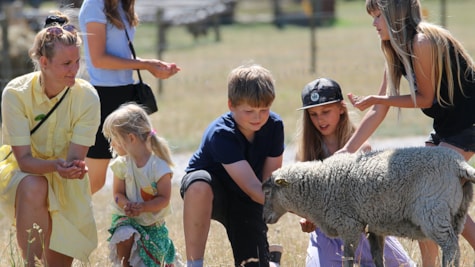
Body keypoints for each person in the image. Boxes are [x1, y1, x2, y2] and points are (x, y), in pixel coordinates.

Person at [338, 0, 475, 266]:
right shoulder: (394, 48)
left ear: (394, 15)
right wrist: (349, 149)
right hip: (447, 126)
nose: (374, 24)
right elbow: (378, 110)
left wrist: (380, 98)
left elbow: (425, 99)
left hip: (469, 124)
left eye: (378, 16)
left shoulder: (421, 43)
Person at [0, 13, 100, 267]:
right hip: (24, 176)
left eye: (77, 61)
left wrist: (74, 168)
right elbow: (24, 162)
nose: (75, 69)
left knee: (57, 265)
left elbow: (75, 160)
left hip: (65, 181)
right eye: (66, 63)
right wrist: (57, 166)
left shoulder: (87, 97)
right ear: (43, 62)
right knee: (36, 185)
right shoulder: (15, 94)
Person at [295, 77, 415, 267]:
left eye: (326, 111)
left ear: (341, 108)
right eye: (313, 114)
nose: (320, 119)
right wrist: (307, 217)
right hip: (328, 236)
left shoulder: (362, 147)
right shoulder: (304, 155)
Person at [180, 64, 284, 267]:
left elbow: (269, 184)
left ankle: (269, 260)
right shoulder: (221, 133)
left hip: (247, 198)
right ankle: (194, 264)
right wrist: (295, 205)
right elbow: (255, 189)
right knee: (199, 185)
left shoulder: (275, 126)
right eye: (249, 111)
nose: (257, 117)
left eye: (264, 110)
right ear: (231, 105)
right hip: (213, 192)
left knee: (253, 263)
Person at [78, 0, 181, 194]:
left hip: (126, 92)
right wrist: (146, 65)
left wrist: (151, 66)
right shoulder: (94, 4)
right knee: (94, 180)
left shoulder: (121, 4)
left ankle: (133, 221)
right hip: (103, 96)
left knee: (134, 170)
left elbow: (120, 53)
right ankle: (52, 216)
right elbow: (99, 59)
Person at [102, 103, 181, 266]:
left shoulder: (158, 166)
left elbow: (164, 199)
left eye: (115, 138)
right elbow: (117, 194)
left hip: (152, 225)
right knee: (124, 233)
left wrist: (143, 207)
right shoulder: (122, 164)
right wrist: (127, 205)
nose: (112, 144)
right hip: (128, 219)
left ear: (131, 138)